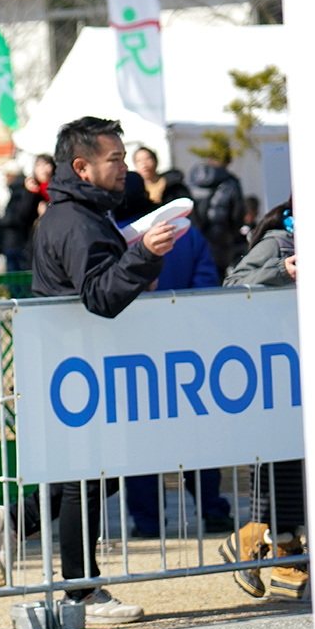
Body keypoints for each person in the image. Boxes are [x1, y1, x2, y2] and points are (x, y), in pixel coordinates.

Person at [0, 118, 181, 625]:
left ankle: (13, 523)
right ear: (82, 167)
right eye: (115, 159)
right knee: (85, 478)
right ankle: (81, 593)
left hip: (76, 364)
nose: (125, 168)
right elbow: (99, 295)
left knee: (89, 475)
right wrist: (144, 255)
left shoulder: (80, 214)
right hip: (75, 366)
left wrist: (137, 257)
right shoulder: (77, 220)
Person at [122, 187, 231, 538]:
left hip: (133, 353)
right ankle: (212, 508)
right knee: (196, 434)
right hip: (187, 351)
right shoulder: (186, 233)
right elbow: (205, 287)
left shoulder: (116, 237)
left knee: (141, 438)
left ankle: (148, 520)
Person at [217, 197, 305, 600]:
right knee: (277, 466)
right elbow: (232, 286)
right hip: (272, 372)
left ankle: (283, 556)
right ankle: (260, 547)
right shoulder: (278, 243)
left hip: (300, 370)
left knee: (293, 466)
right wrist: (282, 271)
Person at [187, 152, 245, 274]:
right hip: (221, 241)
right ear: (228, 162)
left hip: (193, 241)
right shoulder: (231, 182)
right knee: (217, 279)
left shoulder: (191, 179)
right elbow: (238, 215)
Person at [0, 163, 36, 274]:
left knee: (17, 277)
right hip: (15, 242)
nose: (5, 178)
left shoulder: (18, 193)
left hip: (16, 243)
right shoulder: (15, 192)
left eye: (7, 175)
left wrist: (0, 221)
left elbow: (17, 217)